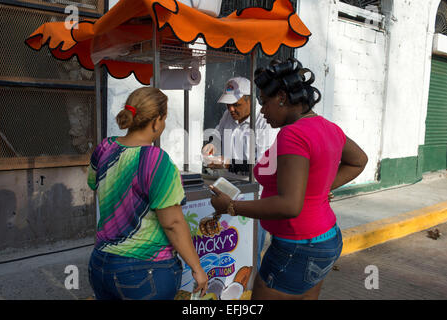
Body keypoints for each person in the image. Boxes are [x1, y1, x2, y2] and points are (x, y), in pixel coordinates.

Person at [209, 58, 368, 300]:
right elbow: (358, 160)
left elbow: (289, 205)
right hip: (326, 238)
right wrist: (320, 189)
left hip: (297, 246)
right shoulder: (328, 127)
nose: (262, 110)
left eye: (264, 102)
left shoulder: (292, 134)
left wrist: (231, 207)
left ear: (282, 97)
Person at [87, 87, 208, 300]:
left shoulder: (104, 148)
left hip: (100, 264)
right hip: (144, 271)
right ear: (156, 121)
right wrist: (196, 267)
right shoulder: (156, 160)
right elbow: (172, 223)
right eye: (164, 119)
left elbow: (94, 184)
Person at [202, 77, 278, 175]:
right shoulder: (227, 114)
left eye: (236, 105)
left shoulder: (265, 122)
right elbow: (218, 135)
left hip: (252, 184)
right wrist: (212, 144)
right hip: (227, 180)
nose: (231, 109)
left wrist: (229, 164)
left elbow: (263, 164)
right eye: (228, 105)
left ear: (250, 100)